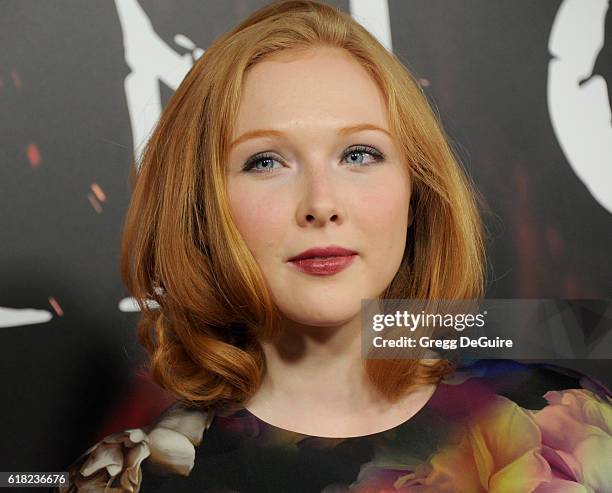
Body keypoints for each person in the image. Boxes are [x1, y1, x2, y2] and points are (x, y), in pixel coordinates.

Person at [55, 1, 612, 492]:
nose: (321, 203)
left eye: (359, 154)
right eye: (265, 161)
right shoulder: (128, 481)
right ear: (201, 209)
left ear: (417, 190)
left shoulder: (569, 427)